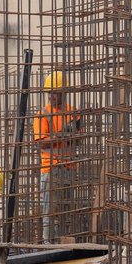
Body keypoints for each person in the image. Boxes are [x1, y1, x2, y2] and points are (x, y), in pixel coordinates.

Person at [34, 71, 81, 243]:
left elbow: (78, 139)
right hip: (50, 168)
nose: (51, 96)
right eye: (49, 92)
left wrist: (71, 134)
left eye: (55, 92)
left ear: (64, 92)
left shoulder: (73, 112)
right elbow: (42, 143)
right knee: (49, 209)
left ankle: (64, 241)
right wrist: (62, 135)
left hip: (69, 166)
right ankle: (48, 243)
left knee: (66, 208)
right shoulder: (43, 114)